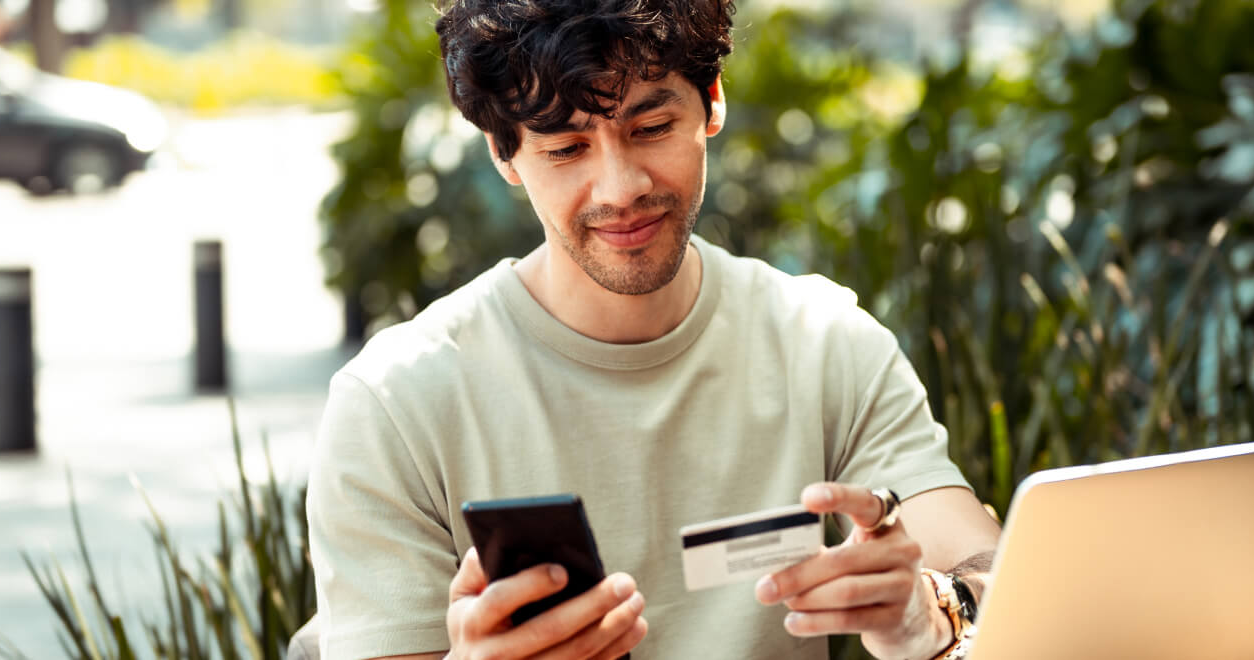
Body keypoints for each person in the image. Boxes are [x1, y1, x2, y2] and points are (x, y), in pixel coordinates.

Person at [305, 1, 1003, 658]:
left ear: (713, 101)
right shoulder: (396, 403)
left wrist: (928, 614)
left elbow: (1000, 585)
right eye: (565, 147)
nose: (620, 187)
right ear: (503, 152)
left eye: (650, 128)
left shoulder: (824, 344)